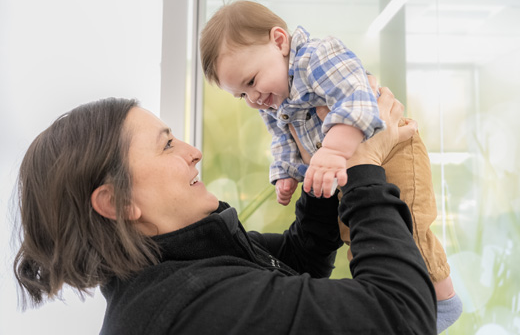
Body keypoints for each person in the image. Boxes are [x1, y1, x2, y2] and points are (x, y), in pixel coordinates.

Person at [13, 90, 438, 334]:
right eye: (166, 145)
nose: (193, 152)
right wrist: (364, 166)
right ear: (118, 203)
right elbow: (400, 316)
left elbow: (297, 258)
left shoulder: (185, 264)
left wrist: (323, 167)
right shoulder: (190, 310)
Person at [199, 0, 462, 333]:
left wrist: (334, 150)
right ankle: (404, 304)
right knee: (360, 238)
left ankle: (443, 299)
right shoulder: (274, 99)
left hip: (392, 150)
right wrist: (286, 172)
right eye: (241, 95)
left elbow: (356, 98)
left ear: (279, 41)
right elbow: (282, 138)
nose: (253, 99)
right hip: (351, 170)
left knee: (406, 227)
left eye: (251, 81)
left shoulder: (317, 57)